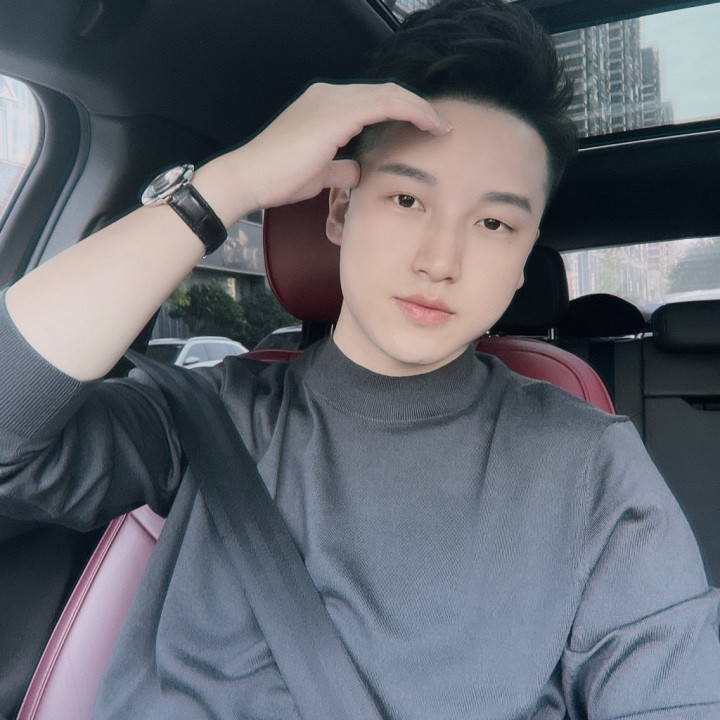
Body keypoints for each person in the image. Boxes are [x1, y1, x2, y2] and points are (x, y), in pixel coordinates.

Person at [1, 0, 719, 717]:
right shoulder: (207, 413)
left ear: (522, 262)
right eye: (407, 199)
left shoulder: (592, 466)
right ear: (340, 212)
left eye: (494, 223)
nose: (441, 260)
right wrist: (230, 184)